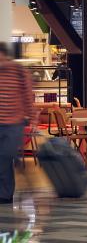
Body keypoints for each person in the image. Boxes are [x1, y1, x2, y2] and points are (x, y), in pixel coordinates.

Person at [0, 42, 35, 205]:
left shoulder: (20, 72)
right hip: (11, 124)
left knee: (5, 157)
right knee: (4, 159)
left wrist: (33, 119)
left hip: (14, 123)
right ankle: (5, 194)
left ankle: (6, 195)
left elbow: (28, 97)